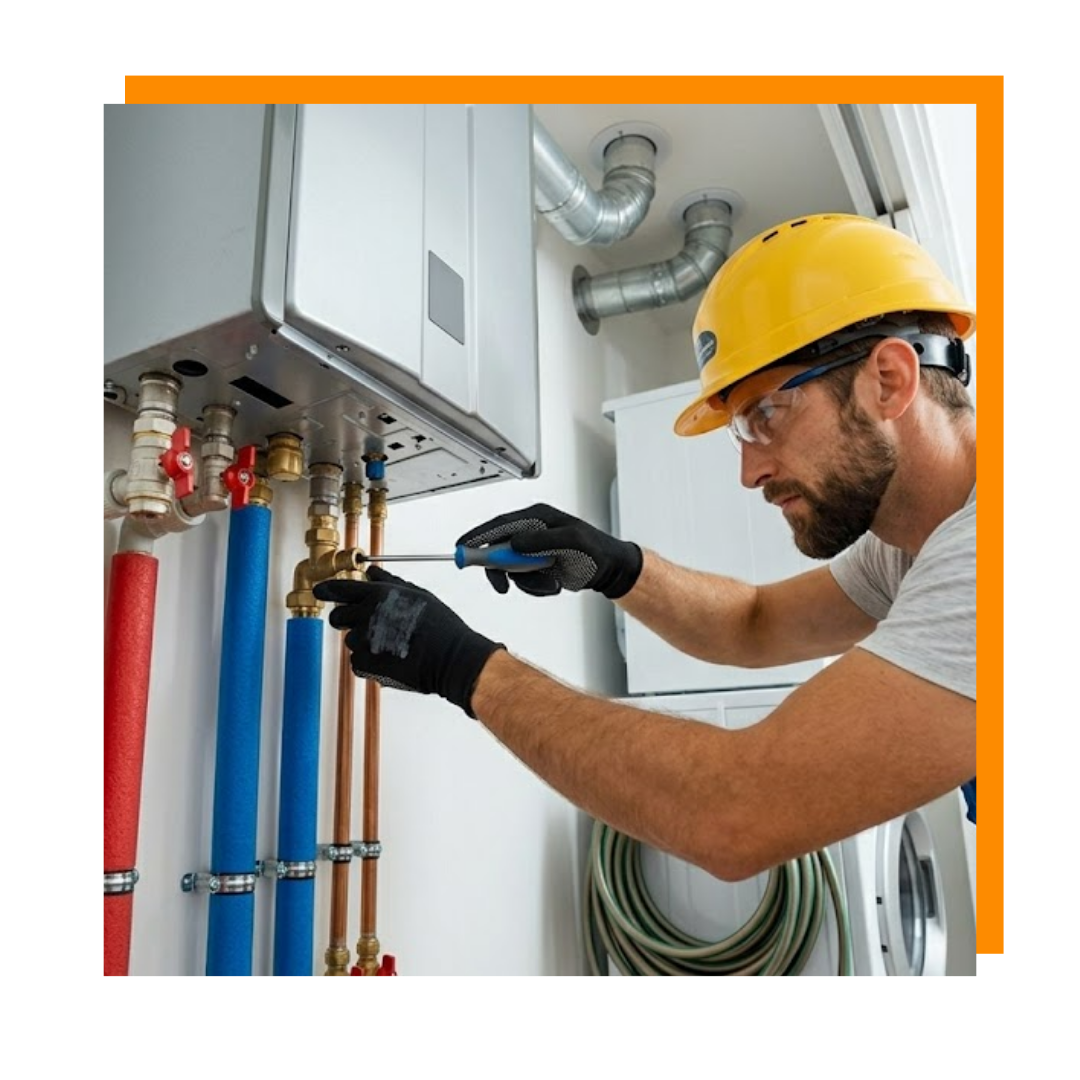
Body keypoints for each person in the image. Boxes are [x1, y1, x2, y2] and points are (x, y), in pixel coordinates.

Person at [314, 212, 977, 883]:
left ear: (889, 381)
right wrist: (612, 565)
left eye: (765, 416)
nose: (749, 474)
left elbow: (735, 810)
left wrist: (462, 666)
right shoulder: (912, 543)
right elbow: (756, 624)